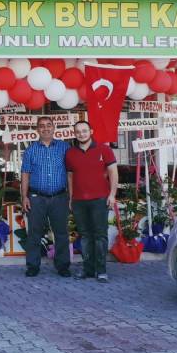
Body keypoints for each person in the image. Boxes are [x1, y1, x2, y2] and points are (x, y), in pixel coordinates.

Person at [65, 120, 118, 283]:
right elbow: (70, 177)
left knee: (100, 235)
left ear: (91, 131)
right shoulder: (70, 153)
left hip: (100, 199)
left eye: (84, 130)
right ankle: (88, 270)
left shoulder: (105, 150)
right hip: (79, 201)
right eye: (78, 131)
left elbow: (113, 172)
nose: (81, 134)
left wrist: (112, 194)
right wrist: (71, 198)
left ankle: (101, 270)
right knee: (85, 236)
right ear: (75, 134)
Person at [20, 116, 72, 277]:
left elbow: (70, 174)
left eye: (49, 125)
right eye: (42, 126)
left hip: (59, 197)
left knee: (61, 232)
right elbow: (25, 175)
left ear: (54, 127)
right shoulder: (31, 150)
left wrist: (71, 196)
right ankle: (33, 266)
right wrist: (24, 197)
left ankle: (63, 266)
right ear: (37, 129)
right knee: (34, 233)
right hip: (36, 197)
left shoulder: (65, 148)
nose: (45, 128)